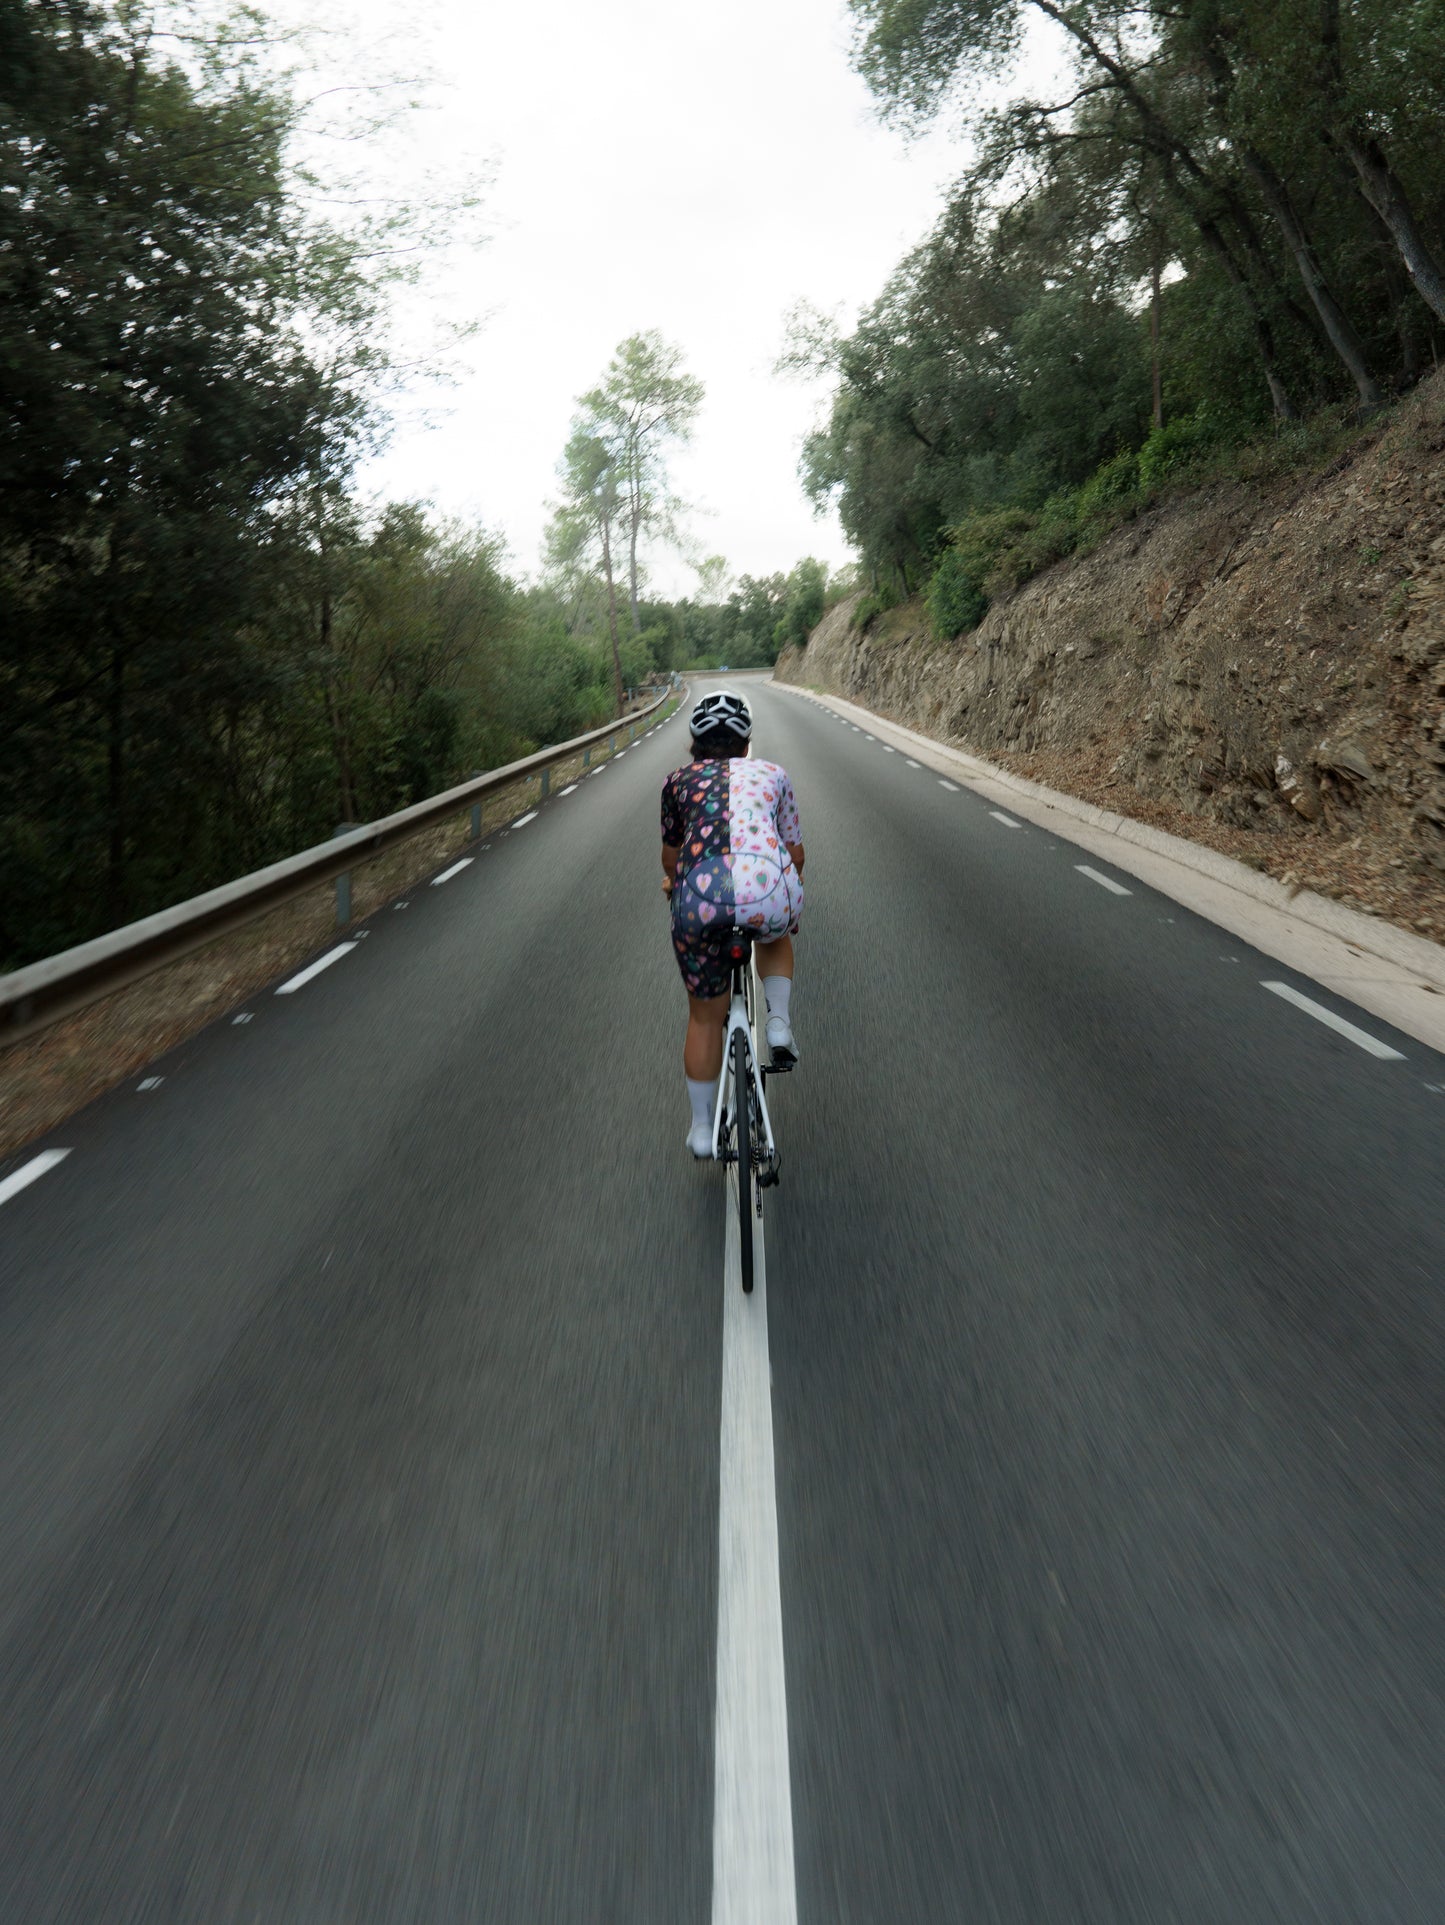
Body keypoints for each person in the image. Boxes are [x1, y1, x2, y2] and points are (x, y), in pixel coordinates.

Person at [660, 689, 805, 1159]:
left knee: (704, 1016)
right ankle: (778, 1023)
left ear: (694, 746)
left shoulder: (676, 782)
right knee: (776, 931)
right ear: (746, 745)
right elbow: (795, 854)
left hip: (700, 902)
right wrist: (778, 888)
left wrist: (675, 883)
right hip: (766, 892)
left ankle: (703, 1130)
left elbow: (671, 859)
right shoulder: (774, 774)